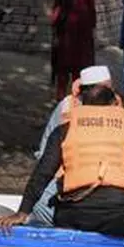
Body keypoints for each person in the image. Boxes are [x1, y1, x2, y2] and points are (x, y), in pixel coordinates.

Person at [0, 84, 124, 238]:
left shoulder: (64, 130)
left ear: (82, 104)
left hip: (76, 215)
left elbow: (42, 174)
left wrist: (22, 212)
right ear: (113, 104)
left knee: (59, 211)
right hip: (123, 216)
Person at [30, 65, 113, 226]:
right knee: (39, 203)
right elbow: (45, 153)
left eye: (110, 88)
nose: (108, 93)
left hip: (106, 178)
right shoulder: (66, 107)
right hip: (64, 176)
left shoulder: (117, 109)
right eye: (104, 88)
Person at [49, 0, 97, 100]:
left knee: (80, 69)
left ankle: (77, 98)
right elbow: (56, 12)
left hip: (83, 37)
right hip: (66, 36)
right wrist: (55, 34)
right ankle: (61, 98)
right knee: (63, 68)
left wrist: (93, 31)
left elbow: (92, 12)